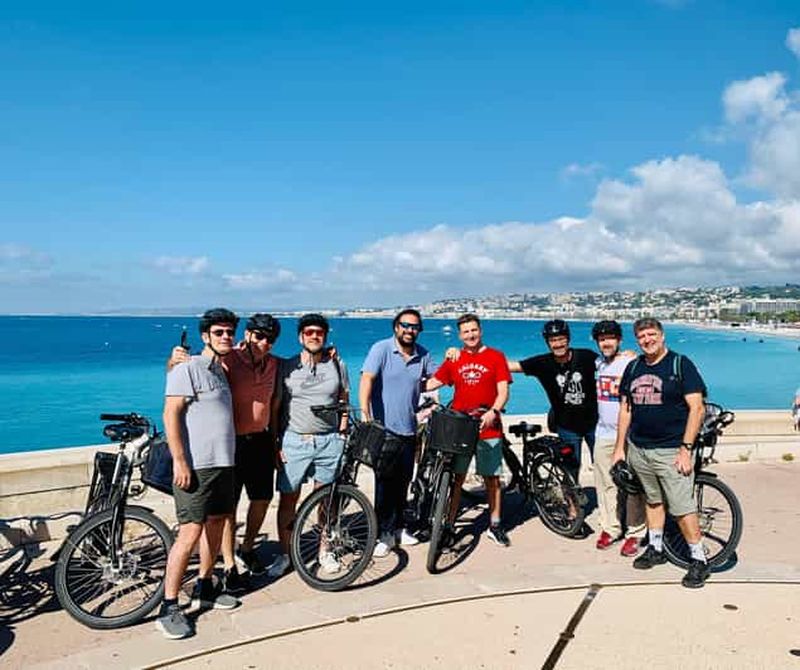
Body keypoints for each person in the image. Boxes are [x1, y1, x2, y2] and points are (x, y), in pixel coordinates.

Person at [168, 313, 282, 594]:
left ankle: (239, 554)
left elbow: (278, 401)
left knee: (256, 501)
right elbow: (178, 392)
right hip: (224, 448)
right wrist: (172, 362)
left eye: (269, 339)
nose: (263, 342)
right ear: (249, 335)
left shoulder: (272, 365)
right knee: (217, 515)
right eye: (258, 336)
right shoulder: (227, 360)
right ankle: (227, 566)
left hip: (254, 443)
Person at [157, 308, 240, 640]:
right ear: (205, 335)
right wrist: (180, 461)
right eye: (219, 332)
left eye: (229, 332)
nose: (225, 337)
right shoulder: (186, 368)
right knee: (189, 533)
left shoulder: (221, 370)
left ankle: (205, 585)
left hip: (224, 463)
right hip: (196, 467)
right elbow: (170, 413)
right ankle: (169, 605)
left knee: (217, 524)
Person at [612, 317, 709, 588]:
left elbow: (697, 408)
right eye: (642, 336)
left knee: (681, 508)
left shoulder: (680, 364)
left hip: (671, 450)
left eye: (652, 334)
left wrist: (686, 449)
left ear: (662, 335)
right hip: (639, 448)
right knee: (653, 501)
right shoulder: (633, 367)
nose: (647, 340)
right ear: (637, 340)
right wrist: (620, 448)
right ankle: (656, 548)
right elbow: (625, 409)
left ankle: (698, 559)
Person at [267, 313, 349, 578]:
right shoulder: (287, 366)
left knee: (326, 498)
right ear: (301, 336)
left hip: (329, 440)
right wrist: (275, 442)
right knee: (289, 498)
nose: (315, 336)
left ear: (325, 336)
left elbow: (344, 396)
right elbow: (276, 405)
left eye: (319, 332)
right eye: (310, 332)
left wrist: (343, 426)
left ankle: (324, 550)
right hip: (295, 440)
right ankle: (286, 554)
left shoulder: (337, 363)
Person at [424, 314, 512, 546]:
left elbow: (503, 391)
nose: (471, 335)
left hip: (488, 425)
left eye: (474, 330)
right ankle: (449, 525)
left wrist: (494, 410)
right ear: (460, 335)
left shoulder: (496, 356)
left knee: (491, 478)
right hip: (460, 426)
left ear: (480, 330)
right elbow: (433, 382)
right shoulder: (455, 357)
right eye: (466, 332)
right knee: (457, 478)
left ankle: (495, 524)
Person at [360, 308, 438, 557]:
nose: (409, 330)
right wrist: (365, 411)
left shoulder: (423, 354)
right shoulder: (381, 349)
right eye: (405, 325)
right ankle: (383, 533)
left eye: (415, 327)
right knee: (384, 484)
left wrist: (453, 362)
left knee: (403, 481)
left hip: (409, 429)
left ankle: (399, 529)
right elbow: (367, 379)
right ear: (396, 327)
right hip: (384, 430)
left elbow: (432, 381)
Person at [511, 320, 598, 480]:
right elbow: (511, 366)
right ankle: (572, 505)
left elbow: (609, 363)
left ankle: (609, 503)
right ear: (548, 343)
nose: (557, 344)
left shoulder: (586, 356)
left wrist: (626, 355)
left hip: (594, 424)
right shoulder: (543, 363)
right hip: (567, 426)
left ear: (568, 339)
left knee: (602, 467)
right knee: (570, 471)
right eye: (553, 340)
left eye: (561, 339)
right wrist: (468, 358)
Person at [590, 320, 645, 556]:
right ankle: (610, 527)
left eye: (610, 338)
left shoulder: (631, 362)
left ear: (619, 340)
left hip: (630, 434)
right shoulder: (598, 364)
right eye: (602, 339)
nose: (606, 342)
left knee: (633, 485)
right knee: (605, 484)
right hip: (603, 432)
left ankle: (635, 532)